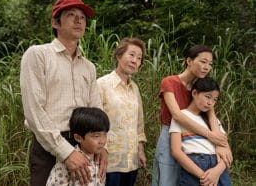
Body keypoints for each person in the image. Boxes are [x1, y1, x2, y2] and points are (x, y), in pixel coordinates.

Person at [20, 0, 107, 186]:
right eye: (71, 15)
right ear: (55, 22)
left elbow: (96, 110)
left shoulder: (89, 67)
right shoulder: (37, 55)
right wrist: (66, 153)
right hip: (48, 146)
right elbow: (34, 110)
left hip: (86, 143)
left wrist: (102, 147)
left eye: (82, 17)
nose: (78, 20)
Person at [152, 44, 233, 186]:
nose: (207, 67)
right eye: (203, 61)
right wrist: (210, 135)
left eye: (210, 64)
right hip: (172, 133)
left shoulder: (200, 87)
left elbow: (211, 115)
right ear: (189, 61)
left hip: (195, 139)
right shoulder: (170, 82)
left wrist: (218, 144)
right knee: (168, 179)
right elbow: (177, 115)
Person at [97, 37, 147, 186]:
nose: (135, 60)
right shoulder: (102, 84)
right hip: (109, 160)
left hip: (131, 160)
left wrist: (140, 150)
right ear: (119, 56)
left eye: (139, 58)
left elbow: (139, 123)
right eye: (131, 55)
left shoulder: (135, 88)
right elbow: (96, 123)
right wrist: (101, 150)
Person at [170, 77, 232, 186]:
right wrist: (203, 175)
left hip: (218, 169)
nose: (210, 103)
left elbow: (227, 153)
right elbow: (176, 151)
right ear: (194, 93)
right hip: (194, 167)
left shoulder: (213, 121)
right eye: (207, 97)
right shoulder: (181, 117)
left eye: (215, 99)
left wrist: (216, 172)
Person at [46, 107, 110, 186]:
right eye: (96, 136)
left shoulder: (99, 160)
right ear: (78, 138)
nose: (102, 141)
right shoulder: (67, 164)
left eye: (105, 135)